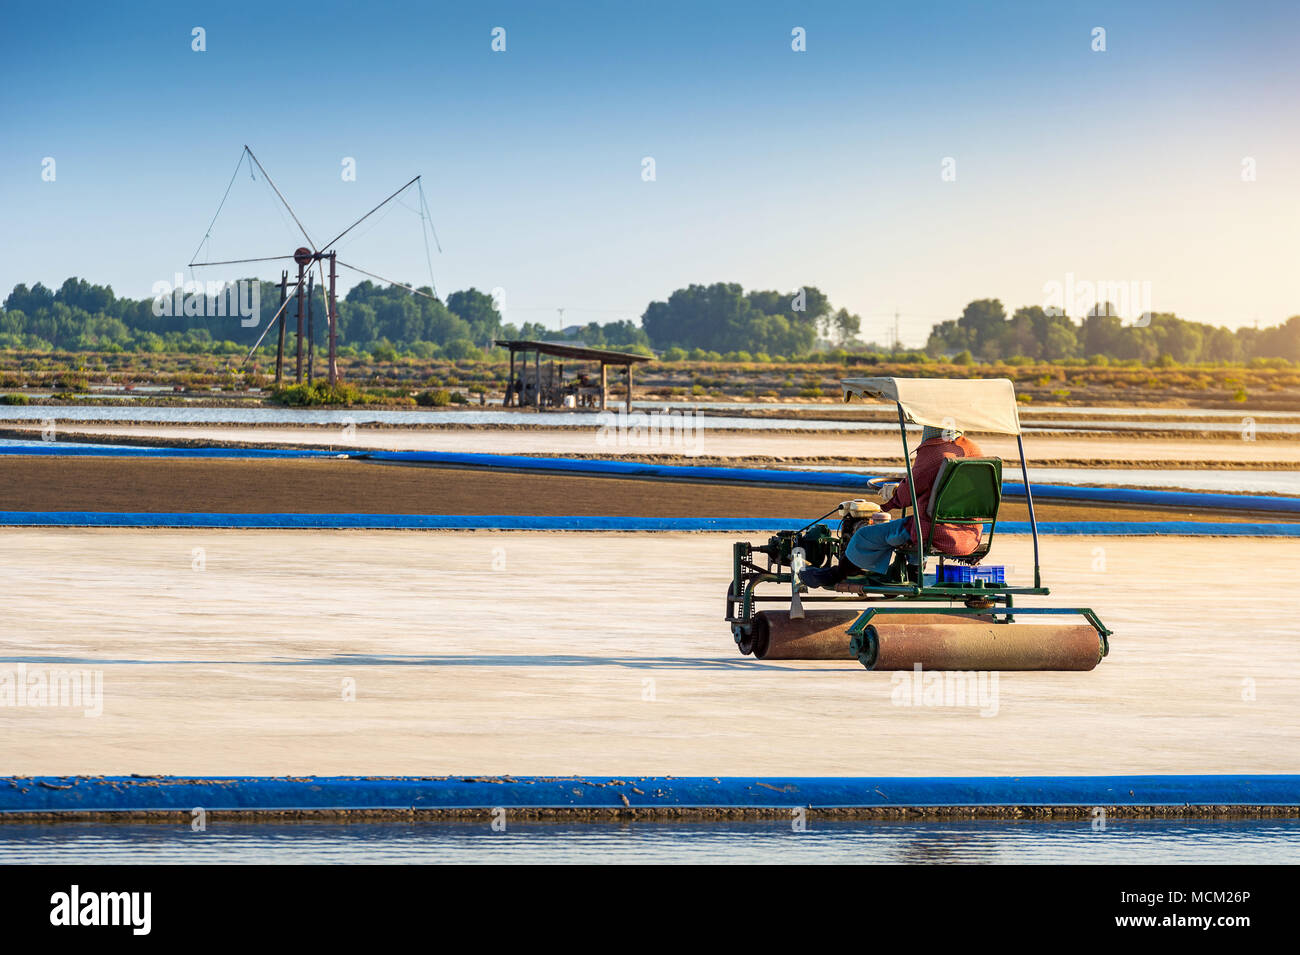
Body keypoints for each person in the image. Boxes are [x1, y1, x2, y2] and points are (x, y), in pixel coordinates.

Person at [799, 424, 988, 588]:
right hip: (970, 533)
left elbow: (908, 494)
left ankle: (838, 574)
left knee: (864, 535)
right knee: (917, 523)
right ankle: (914, 570)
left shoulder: (933, 453)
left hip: (934, 531)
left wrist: (892, 496)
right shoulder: (975, 450)